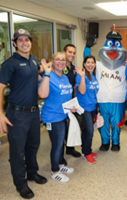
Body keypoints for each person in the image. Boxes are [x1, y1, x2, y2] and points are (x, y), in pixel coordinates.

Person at [0, 29, 47, 199]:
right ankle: (21, 184)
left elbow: (35, 78)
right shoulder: (10, 63)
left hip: (32, 113)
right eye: (20, 40)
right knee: (17, 151)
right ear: (15, 44)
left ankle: (32, 173)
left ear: (31, 42)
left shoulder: (33, 60)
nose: (25, 43)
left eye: (27, 40)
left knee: (33, 146)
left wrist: (45, 72)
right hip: (17, 115)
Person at [38, 52, 83, 182]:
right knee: (57, 145)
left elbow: (66, 96)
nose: (60, 62)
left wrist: (72, 107)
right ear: (52, 61)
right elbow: (42, 94)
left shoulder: (64, 77)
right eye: (57, 59)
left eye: (63, 60)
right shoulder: (49, 76)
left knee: (60, 144)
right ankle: (54, 171)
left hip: (63, 115)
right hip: (52, 117)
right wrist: (46, 73)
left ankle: (59, 164)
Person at [95, 28, 127, 151]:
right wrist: (87, 47)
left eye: (117, 45)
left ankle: (115, 143)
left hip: (118, 100)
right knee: (102, 122)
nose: (113, 49)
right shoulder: (98, 65)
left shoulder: (125, 68)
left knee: (117, 123)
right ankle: (104, 142)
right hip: (102, 99)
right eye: (110, 44)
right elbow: (87, 61)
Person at [76, 55, 99, 164]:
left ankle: (85, 150)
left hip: (92, 107)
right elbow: (82, 91)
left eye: (92, 62)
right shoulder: (81, 76)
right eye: (88, 62)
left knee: (87, 130)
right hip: (84, 108)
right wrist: (81, 77)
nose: (90, 64)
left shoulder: (93, 76)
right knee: (89, 131)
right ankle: (87, 152)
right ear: (84, 64)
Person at [62, 44, 82, 158]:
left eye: (74, 53)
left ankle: (70, 149)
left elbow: (74, 86)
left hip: (70, 102)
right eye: (70, 52)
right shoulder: (59, 66)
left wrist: (75, 102)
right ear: (64, 52)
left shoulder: (74, 69)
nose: (72, 55)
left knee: (72, 126)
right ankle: (59, 156)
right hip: (60, 103)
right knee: (61, 129)